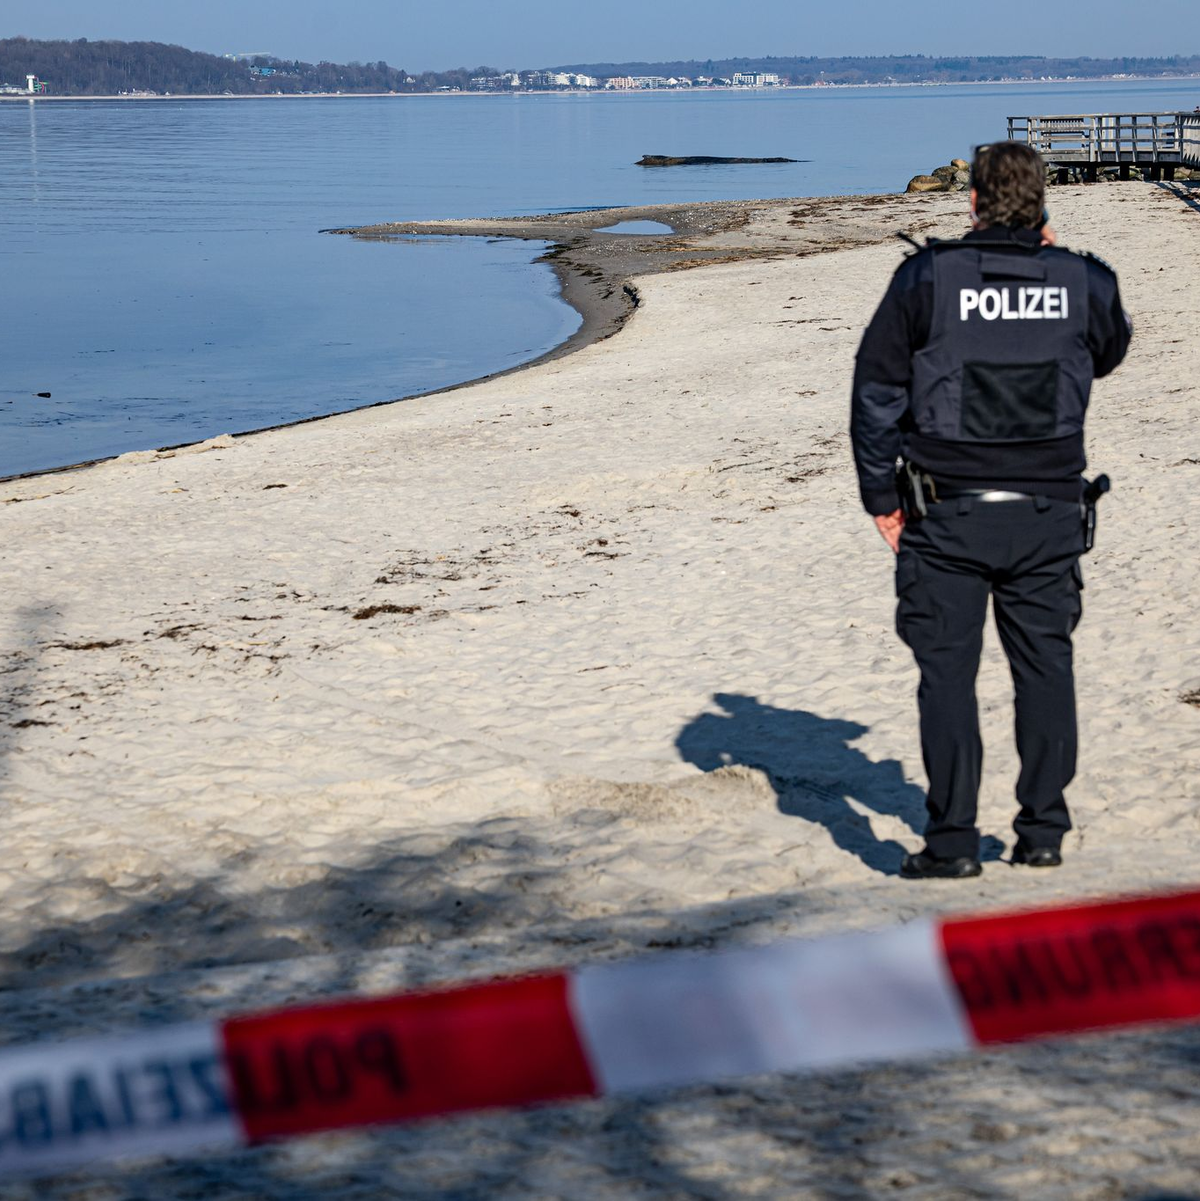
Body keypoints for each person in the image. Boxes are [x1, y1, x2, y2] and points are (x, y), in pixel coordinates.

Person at [850, 141, 1131, 879]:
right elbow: (1108, 350)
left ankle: (952, 844)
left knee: (949, 677)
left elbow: (875, 392)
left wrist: (880, 497)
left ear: (972, 201)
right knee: (1044, 667)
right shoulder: (1084, 280)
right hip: (1043, 514)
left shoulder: (927, 278)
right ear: (1043, 205)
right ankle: (1041, 831)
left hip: (950, 516)